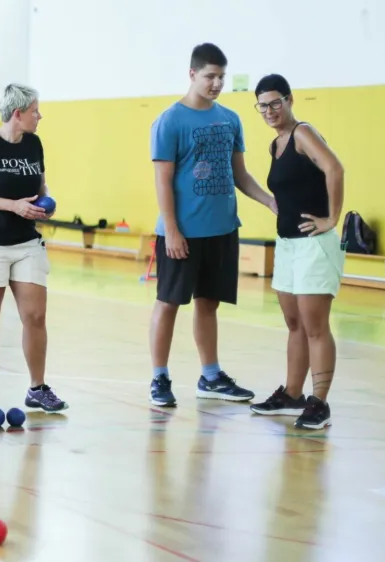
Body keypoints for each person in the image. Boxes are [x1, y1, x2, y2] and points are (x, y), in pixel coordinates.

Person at [148, 43, 278, 407]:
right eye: (210, 76)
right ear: (192, 74)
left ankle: (210, 375)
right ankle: (159, 377)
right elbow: (163, 181)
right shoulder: (169, 121)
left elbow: (240, 175)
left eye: (222, 77)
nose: (217, 83)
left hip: (222, 230)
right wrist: (172, 230)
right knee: (168, 303)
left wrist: (269, 200)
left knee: (209, 304)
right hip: (182, 234)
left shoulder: (231, 119)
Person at [0, 82, 66, 414]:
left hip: (26, 243)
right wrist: (14, 206)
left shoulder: (34, 143)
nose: (40, 116)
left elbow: (40, 184)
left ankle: (37, 387)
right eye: (35, 111)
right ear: (17, 114)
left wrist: (45, 203)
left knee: (35, 316)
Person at [248, 74, 345, 429]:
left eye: (275, 103)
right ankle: (292, 394)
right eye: (263, 105)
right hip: (287, 244)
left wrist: (331, 218)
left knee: (315, 326)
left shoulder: (303, 133)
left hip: (314, 245)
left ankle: (319, 403)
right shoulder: (276, 144)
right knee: (294, 324)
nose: (269, 110)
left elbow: (334, 168)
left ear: (289, 100)